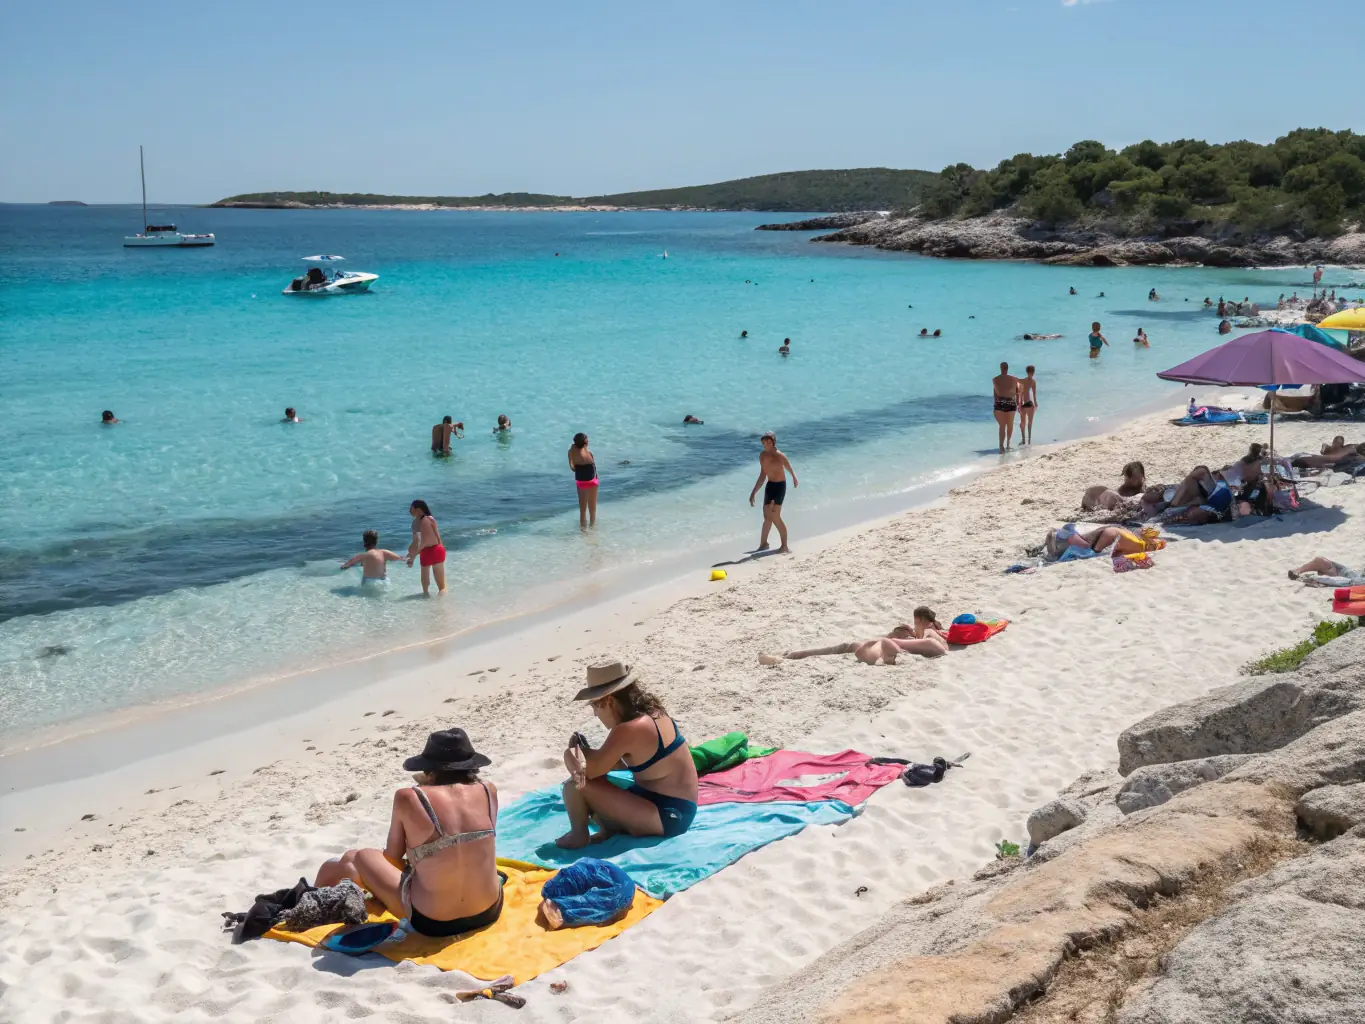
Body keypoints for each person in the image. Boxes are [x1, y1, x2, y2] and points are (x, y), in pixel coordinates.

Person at [314, 729, 502, 937]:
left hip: (433, 922)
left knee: (359, 856)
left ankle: (317, 897)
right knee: (351, 861)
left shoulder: (410, 797)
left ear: (428, 769)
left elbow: (392, 857)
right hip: (489, 909)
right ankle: (330, 887)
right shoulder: (488, 790)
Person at [556, 661, 697, 849]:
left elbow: (588, 773)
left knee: (574, 787)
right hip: (678, 808)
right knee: (597, 785)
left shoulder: (628, 730)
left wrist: (571, 752)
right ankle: (608, 829)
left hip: (667, 815)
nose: (596, 714)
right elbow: (627, 765)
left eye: (596, 706)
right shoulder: (653, 714)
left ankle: (579, 834)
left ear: (610, 702)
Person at [783, 607, 949, 665]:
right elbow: (886, 637)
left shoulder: (930, 633)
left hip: (880, 650)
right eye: (929, 622)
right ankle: (797, 654)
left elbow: (942, 641)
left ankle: (796, 655)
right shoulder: (906, 631)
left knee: (848, 647)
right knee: (844, 646)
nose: (930, 625)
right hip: (876, 645)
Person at [749, 431, 798, 553]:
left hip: (779, 486)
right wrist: (753, 492)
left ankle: (784, 546)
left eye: (768, 442)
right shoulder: (762, 456)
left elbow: (788, 467)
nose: (765, 444)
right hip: (770, 485)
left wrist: (794, 478)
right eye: (763, 442)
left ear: (773, 442)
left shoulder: (779, 456)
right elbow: (762, 475)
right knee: (767, 516)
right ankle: (763, 544)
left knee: (775, 517)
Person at [406, 500, 447, 596]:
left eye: (411, 508)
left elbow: (422, 542)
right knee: (442, 587)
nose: (409, 511)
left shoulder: (423, 521)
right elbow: (417, 542)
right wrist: (410, 553)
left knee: (425, 589)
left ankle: (428, 607)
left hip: (427, 551)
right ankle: (441, 606)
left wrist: (413, 558)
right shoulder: (428, 519)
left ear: (419, 509)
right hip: (434, 549)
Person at [340, 529, 405, 586]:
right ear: (376, 541)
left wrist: (343, 567)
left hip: (369, 582)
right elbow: (400, 559)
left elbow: (346, 565)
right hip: (384, 581)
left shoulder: (363, 555)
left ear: (364, 542)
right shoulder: (384, 552)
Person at [569, 432, 598, 528]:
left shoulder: (571, 452)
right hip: (592, 480)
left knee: (582, 510)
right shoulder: (589, 453)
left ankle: (583, 532)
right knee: (592, 509)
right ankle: (592, 528)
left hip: (580, 480)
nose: (588, 439)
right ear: (585, 442)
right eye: (587, 438)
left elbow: (572, 468)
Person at [992, 361, 1021, 453]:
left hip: (1000, 402)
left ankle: (1001, 447)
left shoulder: (995, 379)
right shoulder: (1014, 379)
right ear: (1007, 369)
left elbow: (995, 394)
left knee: (1002, 426)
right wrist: (1018, 402)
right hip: (1010, 402)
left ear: (1000, 368)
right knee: (1010, 424)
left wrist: (995, 405)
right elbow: (1018, 392)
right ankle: (1008, 444)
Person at [1289, 556, 1363, 581]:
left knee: (1320, 561)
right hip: (1343, 572)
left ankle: (1298, 571)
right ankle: (1298, 570)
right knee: (1320, 560)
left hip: (1344, 577)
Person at [1019, 365, 1038, 445]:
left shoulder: (1022, 381)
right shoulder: (1033, 381)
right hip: (1029, 404)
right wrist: (1035, 403)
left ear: (1027, 372)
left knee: (1024, 423)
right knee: (1028, 423)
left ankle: (1025, 441)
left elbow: (1020, 394)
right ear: (1032, 372)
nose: (1032, 374)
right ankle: (1028, 441)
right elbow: (1033, 395)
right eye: (1032, 372)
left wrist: (1019, 404)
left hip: (1024, 404)